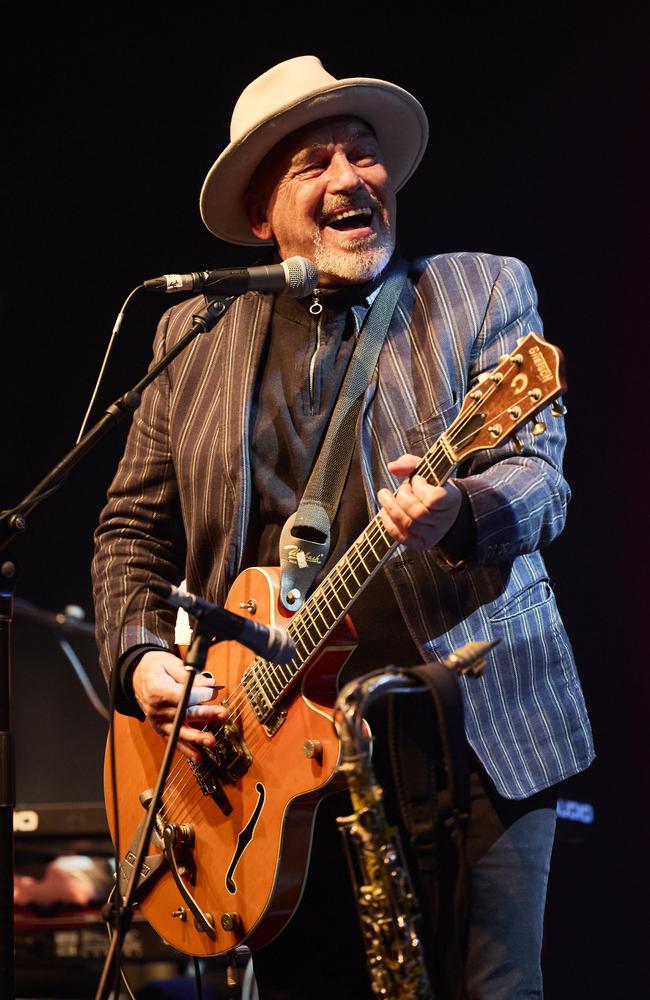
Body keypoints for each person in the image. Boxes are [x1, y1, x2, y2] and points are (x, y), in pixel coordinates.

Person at [92, 55, 594, 998]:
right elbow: (130, 528)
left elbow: (541, 481)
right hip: (265, 765)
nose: (349, 181)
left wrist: (460, 511)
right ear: (258, 215)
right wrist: (139, 660)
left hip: (470, 729)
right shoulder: (190, 333)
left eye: (361, 157)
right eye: (311, 165)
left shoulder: (479, 292)